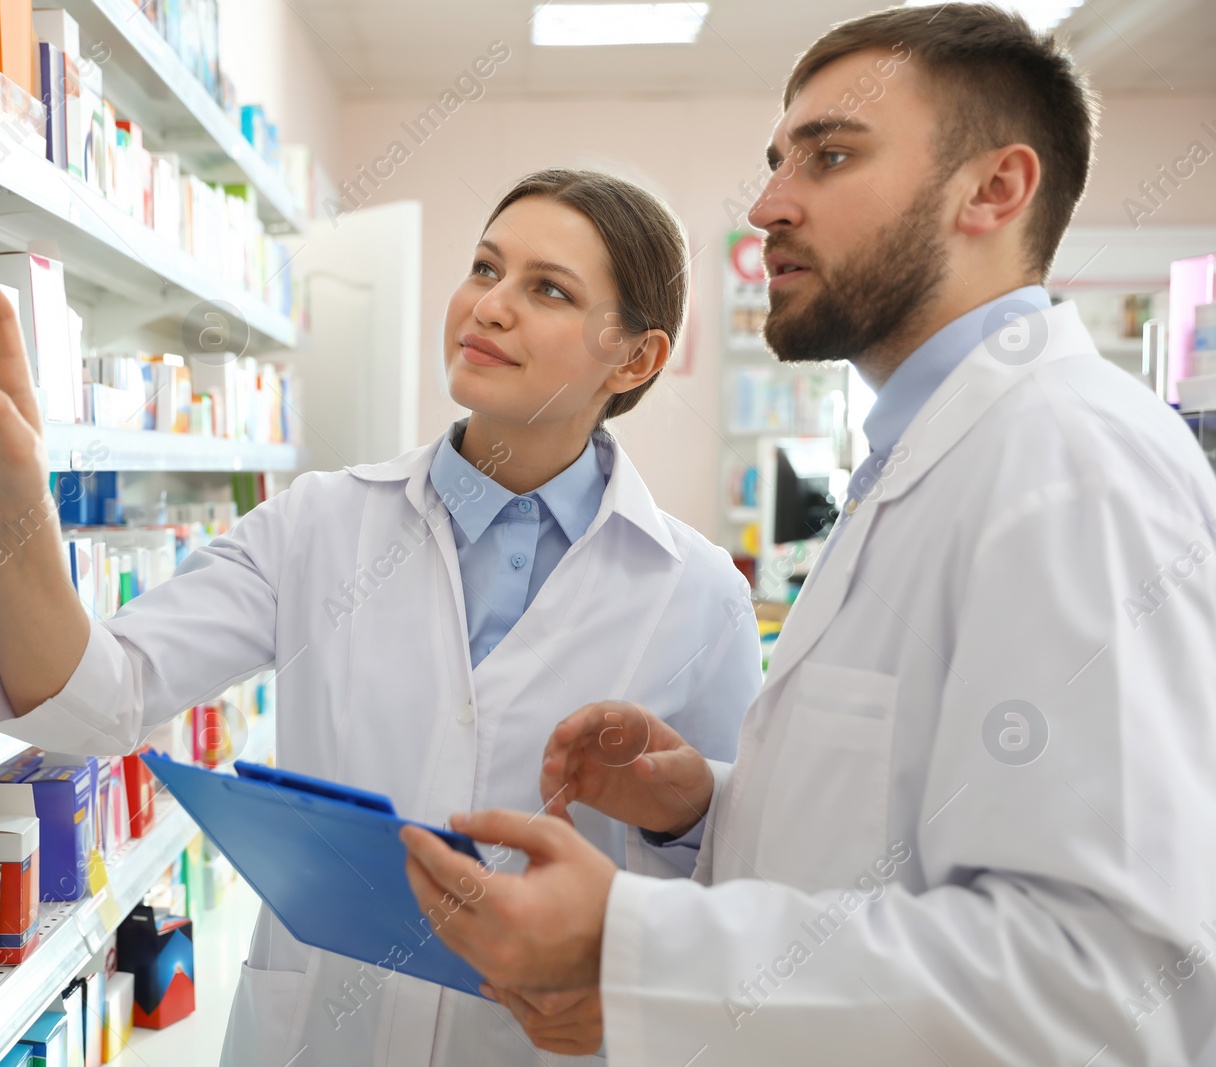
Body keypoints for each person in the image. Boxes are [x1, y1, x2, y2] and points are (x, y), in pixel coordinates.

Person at [401, 6, 1216, 1064]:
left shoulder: (1073, 462)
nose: (768, 204)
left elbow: (1105, 984)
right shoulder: (926, 452)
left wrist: (637, 950)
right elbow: (905, 833)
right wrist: (707, 799)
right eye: (776, 159)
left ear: (994, 190)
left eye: (828, 155)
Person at [0, 168, 762, 1065]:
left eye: (547, 288)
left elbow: (737, 876)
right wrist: (14, 510)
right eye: (484, 267)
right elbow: (95, 703)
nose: (490, 305)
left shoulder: (700, 593)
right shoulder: (318, 523)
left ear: (635, 359)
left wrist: (678, 819)